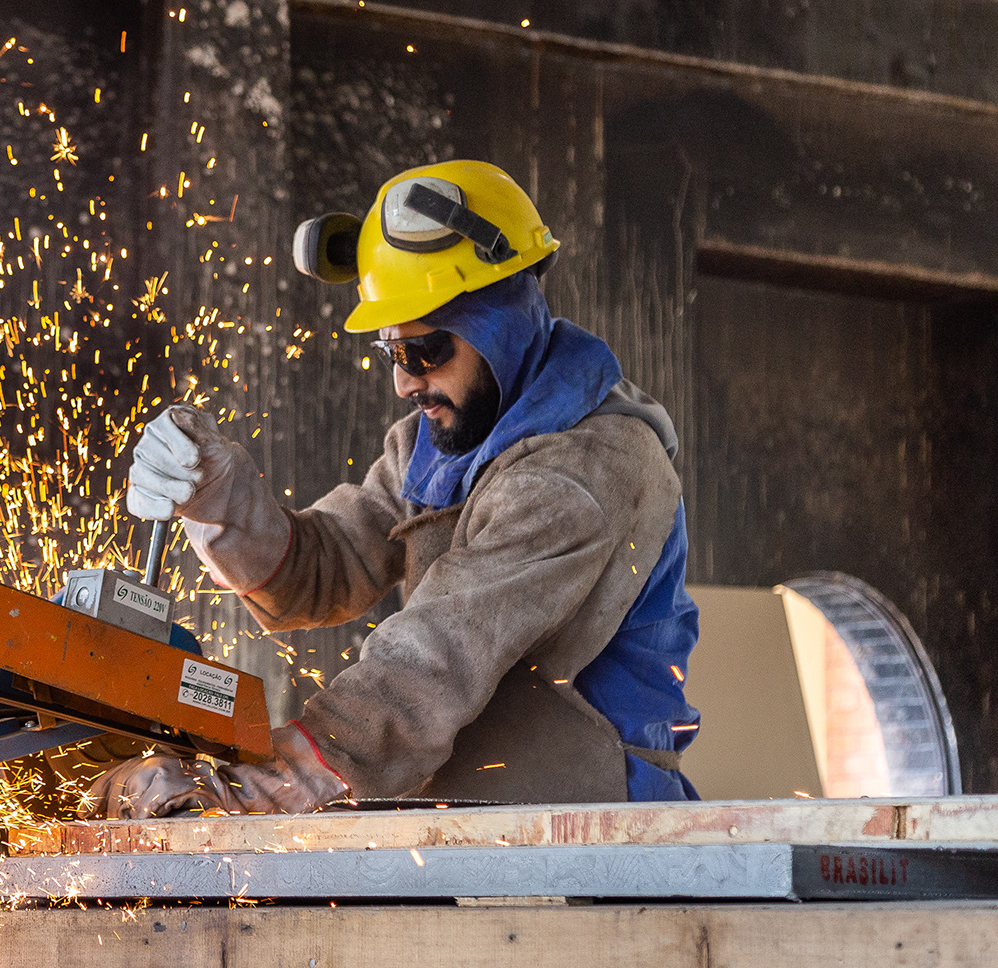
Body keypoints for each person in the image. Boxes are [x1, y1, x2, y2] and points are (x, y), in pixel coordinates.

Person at [90, 160, 700, 818]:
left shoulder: (588, 466)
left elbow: (437, 656)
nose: (405, 384)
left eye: (426, 351)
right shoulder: (440, 442)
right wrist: (219, 501)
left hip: (599, 830)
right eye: (392, 353)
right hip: (477, 822)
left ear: (502, 323)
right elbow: (324, 569)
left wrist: (257, 786)